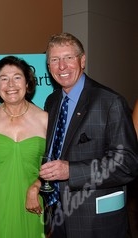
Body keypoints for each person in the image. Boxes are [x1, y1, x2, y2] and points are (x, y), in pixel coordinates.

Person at [39, 32, 138, 238]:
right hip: (57, 216)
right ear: (48, 67)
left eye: (68, 58)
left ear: (82, 61)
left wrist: (71, 171)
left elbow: (127, 164)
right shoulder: (52, 101)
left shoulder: (110, 102)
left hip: (95, 221)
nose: (62, 66)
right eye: (54, 60)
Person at [0, 56, 48, 237]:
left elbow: (54, 166)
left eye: (17, 77)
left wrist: (36, 187)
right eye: (4, 78)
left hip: (31, 203)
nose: (11, 85)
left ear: (27, 82)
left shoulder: (44, 119)